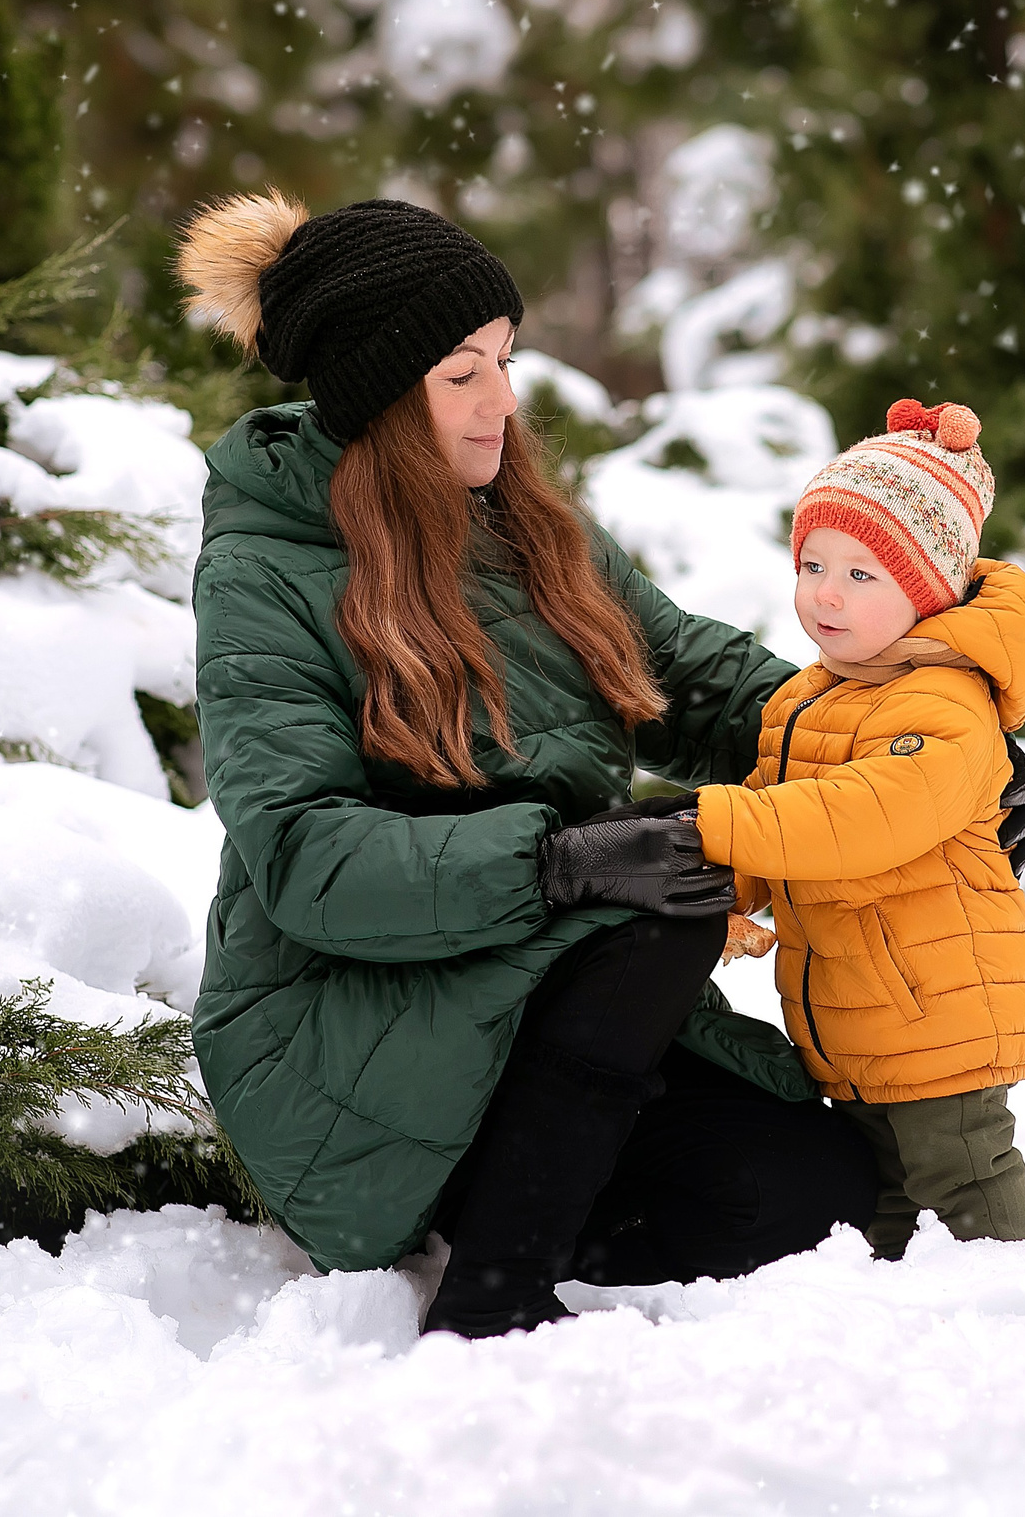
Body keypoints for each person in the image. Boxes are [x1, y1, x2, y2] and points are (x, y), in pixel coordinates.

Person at [175, 192, 902, 1339]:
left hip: (545, 1004)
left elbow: (690, 675)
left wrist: (904, 744)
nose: (502, 402)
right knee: (672, 882)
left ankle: (541, 1199)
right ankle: (492, 1297)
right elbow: (306, 859)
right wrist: (561, 863)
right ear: (378, 391)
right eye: (463, 373)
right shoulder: (267, 570)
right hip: (349, 1026)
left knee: (824, 1199)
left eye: (503, 362)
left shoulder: (520, 522)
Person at [688, 399, 1025, 1259]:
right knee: (887, 1207)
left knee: (964, 1186)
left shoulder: (946, 705)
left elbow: (858, 819)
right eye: (813, 562)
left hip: (936, 1022)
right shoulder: (814, 692)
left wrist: (711, 824)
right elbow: (775, 800)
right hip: (857, 1022)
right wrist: (716, 883)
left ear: (928, 589)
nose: (825, 592)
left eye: (863, 574)